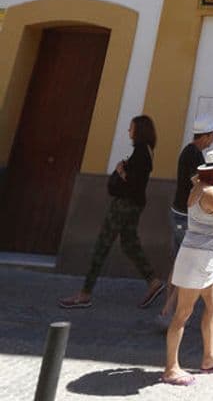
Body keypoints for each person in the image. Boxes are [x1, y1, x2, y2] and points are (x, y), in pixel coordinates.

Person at [59, 115, 164, 310]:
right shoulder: (147, 151)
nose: (129, 131)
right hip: (134, 205)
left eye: (131, 128)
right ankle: (153, 281)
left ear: (139, 130)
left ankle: (84, 294)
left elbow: (133, 183)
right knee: (129, 244)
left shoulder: (141, 153)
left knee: (102, 246)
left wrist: (120, 171)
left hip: (124, 206)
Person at [162, 147, 213, 386]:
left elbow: (199, 180)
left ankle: (209, 357)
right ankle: (171, 369)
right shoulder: (210, 194)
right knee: (182, 314)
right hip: (197, 259)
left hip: (206, 259)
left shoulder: (200, 187)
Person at [157, 115, 213, 329]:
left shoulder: (189, 152)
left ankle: (168, 308)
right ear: (206, 136)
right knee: (185, 263)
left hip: (178, 213)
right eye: (212, 136)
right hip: (185, 216)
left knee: (177, 262)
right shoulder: (194, 155)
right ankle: (168, 312)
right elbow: (196, 183)